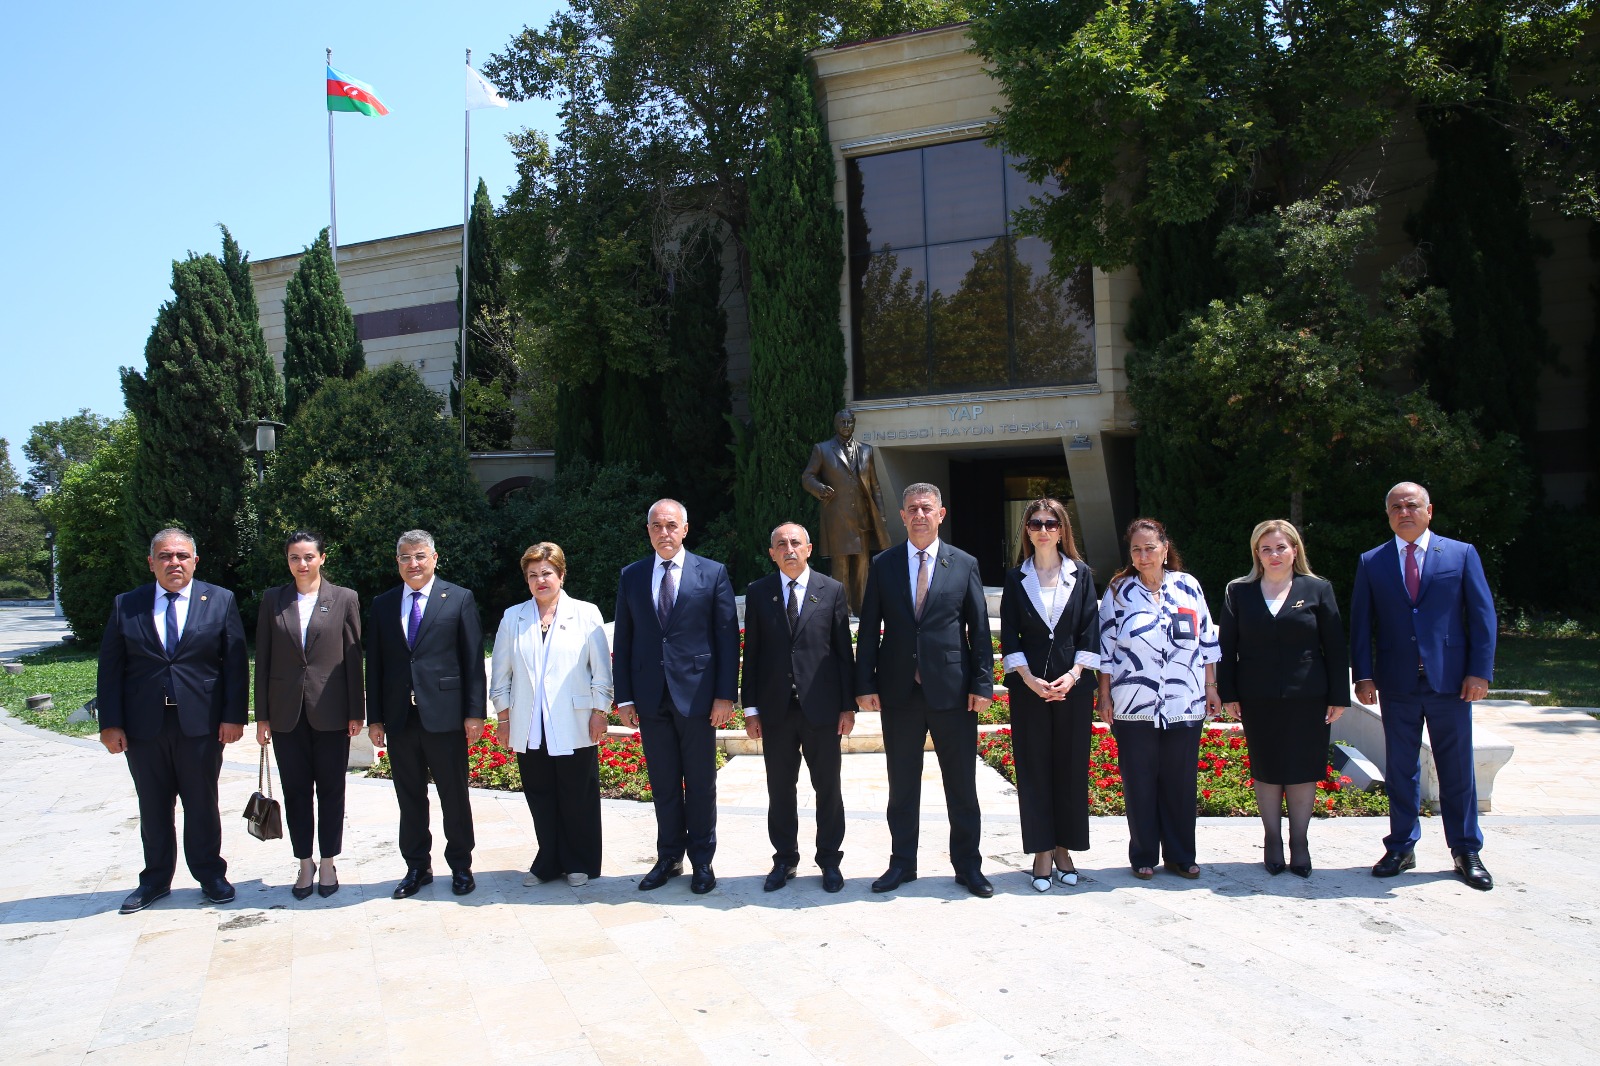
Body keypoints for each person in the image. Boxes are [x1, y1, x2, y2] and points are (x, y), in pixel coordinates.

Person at [1350, 482, 1497, 890]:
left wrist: (1479, 671)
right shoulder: (1372, 561)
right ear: (1388, 515)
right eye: (1395, 506)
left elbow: (1482, 617)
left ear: (1429, 510)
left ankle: (1466, 850)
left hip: (1451, 682)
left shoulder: (1460, 554)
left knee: (1457, 770)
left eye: (1411, 504)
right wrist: (1362, 675)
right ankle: (1401, 845)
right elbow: (1361, 624)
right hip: (1397, 683)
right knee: (1400, 769)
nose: (1404, 511)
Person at [97, 528, 248, 914]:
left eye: (182, 556)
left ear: (195, 561)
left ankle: (210, 874)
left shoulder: (219, 600)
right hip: (143, 726)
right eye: (165, 556)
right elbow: (110, 669)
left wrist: (234, 716)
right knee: (153, 805)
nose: (174, 563)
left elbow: (234, 664)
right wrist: (110, 723)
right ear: (152, 563)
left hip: (200, 724)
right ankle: (155, 880)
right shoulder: (126, 605)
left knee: (202, 802)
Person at [857, 483, 995, 897]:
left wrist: (982, 683)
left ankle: (968, 866)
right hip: (899, 691)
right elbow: (867, 629)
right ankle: (902, 864)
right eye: (912, 508)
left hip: (953, 691)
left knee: (961, 784)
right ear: (902, 516)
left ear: (941, 514)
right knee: (902, 784)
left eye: (926, 508)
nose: (919, 514)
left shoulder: (964, 563)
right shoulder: (884, 564)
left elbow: (979, 627)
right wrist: (864, 684)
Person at [613, 499, 739, 894]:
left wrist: (724, 696)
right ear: (648, 530)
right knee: (664, 782)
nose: (663, 533)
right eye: (656, 526)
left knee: (700, 783)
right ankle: (669, 857)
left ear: (685, 529)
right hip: (651, 697)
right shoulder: (632, 576)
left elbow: (726, 638)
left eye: (671, 525)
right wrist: (625, 698)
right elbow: (625, 638)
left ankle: (702, 861)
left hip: (699, 697)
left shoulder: (712, 573)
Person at [1218, 520, 1347, 879]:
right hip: (1256, 696)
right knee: (1268, 769)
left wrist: (1339, 695)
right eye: (1266, 549)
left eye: (1281, 548)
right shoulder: (1239, 592)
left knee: (1303, 769)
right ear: (1256, 553)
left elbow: (1335, 646)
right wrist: (1228, 693)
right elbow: (1226, 647)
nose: (1274, 555)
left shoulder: (1318, 588)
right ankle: (1272, 840)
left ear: (1295, 550)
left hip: (1309, 696)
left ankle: (1300, 842)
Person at [1097, 518, 1221, 881]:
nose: (1143, 555)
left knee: (1180, 780)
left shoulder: (1189, 586)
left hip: (1185, 700)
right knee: (1139, 780)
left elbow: (1207, 640)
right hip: (1132, 703)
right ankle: (1144, 855)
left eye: (1150, 547)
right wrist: (1104, 695)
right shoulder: (1119, 591)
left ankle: (1181, 855)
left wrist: (1211, 686)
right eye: (1136, 549)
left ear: (1165, 549)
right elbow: (1105, 648)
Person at [366, 530, 486, 899]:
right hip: (401, 719)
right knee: (410, 797)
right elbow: (377, 664)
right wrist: (375, 718)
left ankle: (461, 866)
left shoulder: (459, 598)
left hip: (446, 716)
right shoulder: (383, 604)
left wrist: (474, 713)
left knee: (454, 795)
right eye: (405, 557)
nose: (413, 564)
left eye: (419, 556)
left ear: (434, 558)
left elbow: (472, 660)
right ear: (397, 562)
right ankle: (417, 866)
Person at [741, 522, 857, 893]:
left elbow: (843, 654)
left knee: (828, 787)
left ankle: (829, 860)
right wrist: (751, 708)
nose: (789, 549)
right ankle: (785, 859)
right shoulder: (759, 593)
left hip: (821, 710)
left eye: (795, 543)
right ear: (772, 553)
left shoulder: (832, 590)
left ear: (808, 548)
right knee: (780, 789)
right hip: (776, 711)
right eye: (781, 544)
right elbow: (753, 654)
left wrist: (847, 706)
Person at [490, 542, 612, 888]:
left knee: (577, 794)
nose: (540, 580)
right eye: (532, 575)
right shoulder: (513, 617)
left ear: (561, 574)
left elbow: (601, 671)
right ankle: (548, 861)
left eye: (546, 573)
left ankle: (579, 862)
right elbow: (501, 673)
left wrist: (599, 711)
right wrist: (502, 717)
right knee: (540, 794)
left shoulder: (585, 613)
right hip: (530, 723)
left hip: (574, 720)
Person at [254, 530, 365, 899]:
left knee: (332, 790)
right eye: (294, 558)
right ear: (287, 561)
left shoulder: (344, 598)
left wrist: (356, 710)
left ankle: (329, 860)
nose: (302, 564)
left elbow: (353, 656)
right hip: (286, 713)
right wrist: (263, 716)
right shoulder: (273, 600)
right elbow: (263, 659)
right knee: (296, 791)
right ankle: (305, 862)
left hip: (331, 710)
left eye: (308, 557)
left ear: (322, 558)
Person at [997, 498, 1099, 892]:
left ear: (1061, 529)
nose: (1043, 529)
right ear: (1027, 529)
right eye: (1035, 522)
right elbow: (1008, 634)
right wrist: (1026, 677)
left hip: (1073, 689)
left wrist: (1074, 675)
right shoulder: (1014, 578)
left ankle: (1063, 848)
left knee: (1070, 769)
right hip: (1029, 690)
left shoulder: (1082, 574)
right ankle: (1041, 850)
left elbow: (1090, 630)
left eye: (1050, 522)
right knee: (1035, 769)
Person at [802, 408, 890, 616]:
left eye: (849, 422)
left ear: (854, 424)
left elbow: (875, 485)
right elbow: (807, 477)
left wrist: (882, 515)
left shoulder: (866, 450)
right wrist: (820, 488)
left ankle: (863, 610)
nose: (846, 426)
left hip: (862, 519)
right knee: (840, 568)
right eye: (842, 422)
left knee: (862, 568)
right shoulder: (822, 449)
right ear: (835, 424)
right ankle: (842, 611)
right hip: (837, 519)